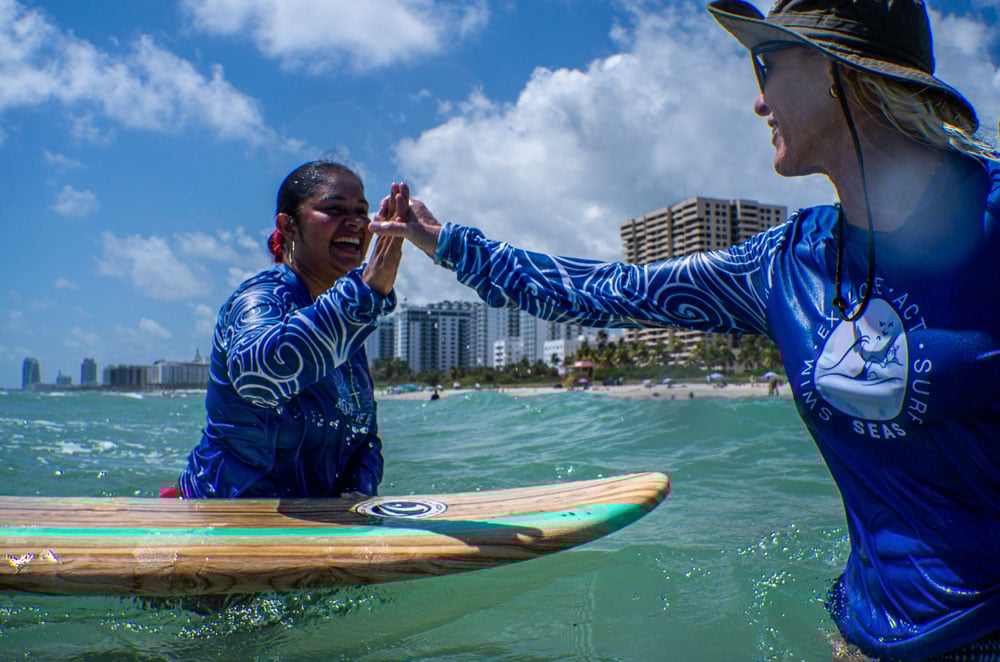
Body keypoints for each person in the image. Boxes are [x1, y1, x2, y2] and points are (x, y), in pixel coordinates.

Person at [371, 1, 1000, 659]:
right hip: (864, 632)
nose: (758, 102)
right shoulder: (788, 265)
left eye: (767, 63)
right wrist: (448, 244)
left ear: (833, 71)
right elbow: (604, 293)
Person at [178, 159, 402, 499]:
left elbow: (363, 434)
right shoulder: (259, 299)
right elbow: (259, 378)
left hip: (312, 523)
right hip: (222, 515)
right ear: (289, 225)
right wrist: (363, 296)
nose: (356, 222)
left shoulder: (348, 325)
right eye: (335, 209)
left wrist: (357, 494)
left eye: (362, 211)